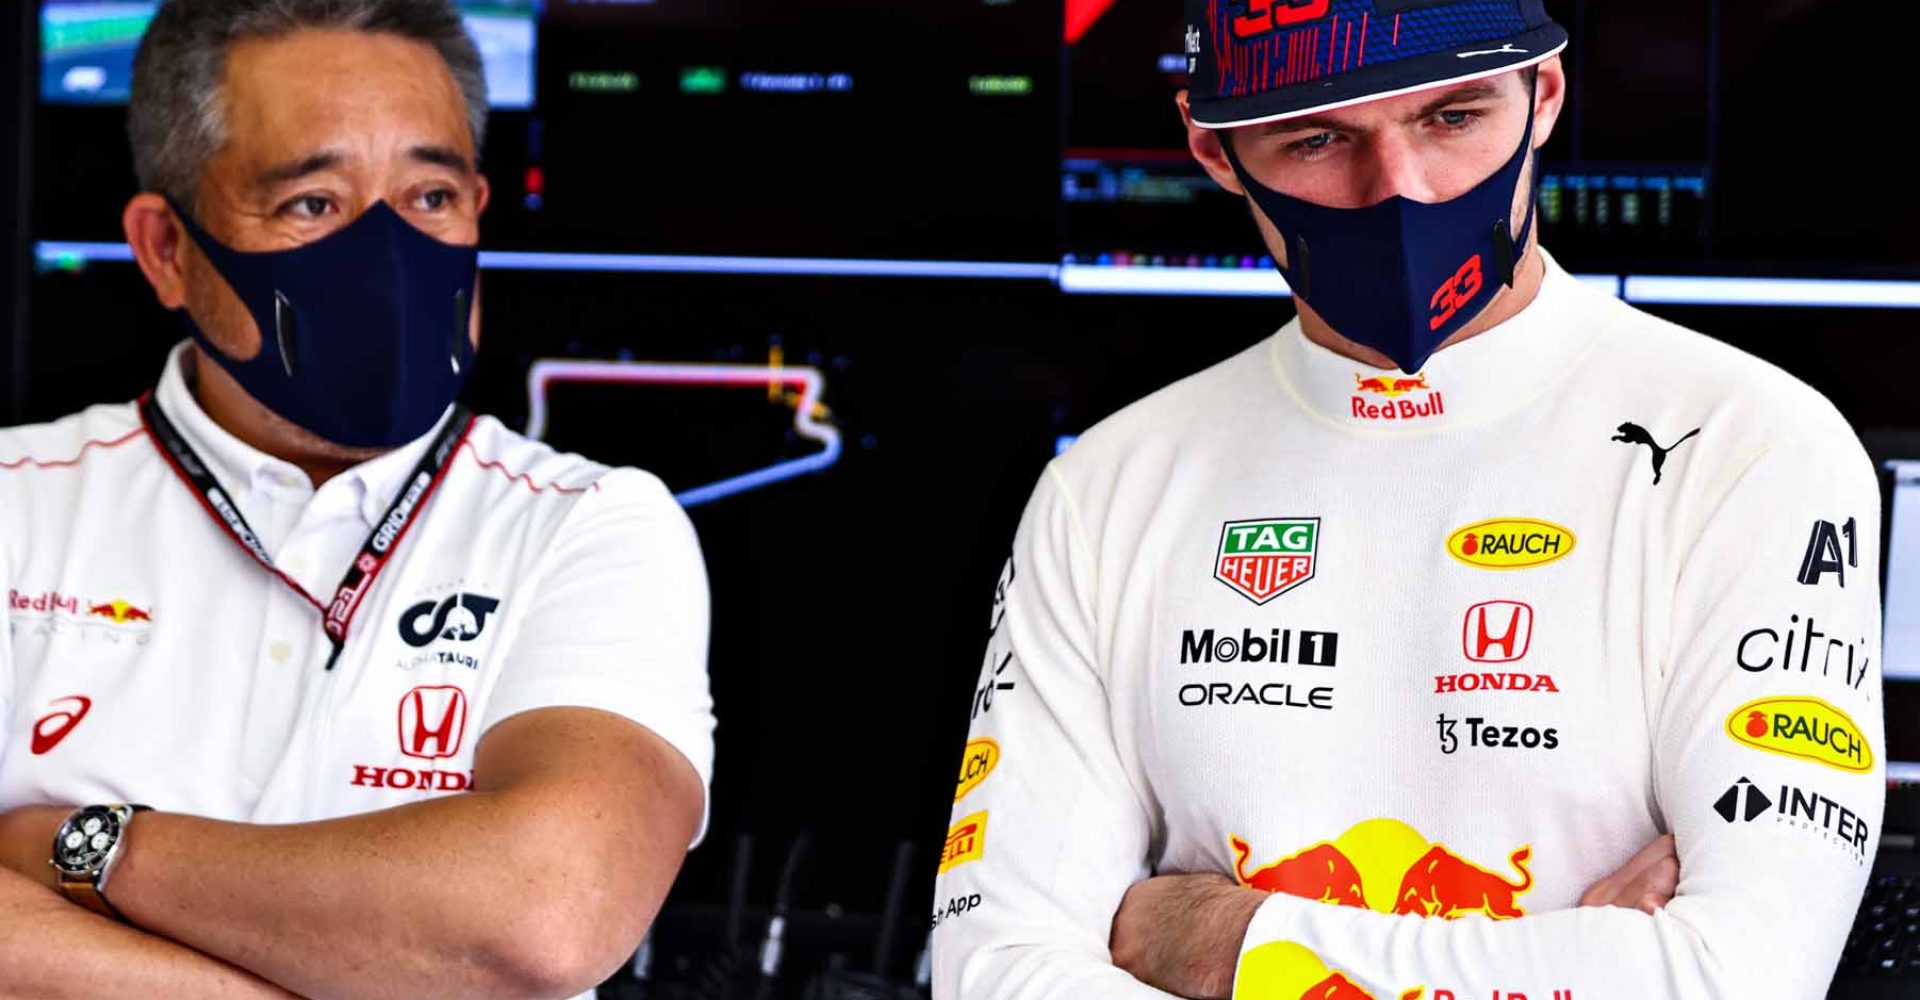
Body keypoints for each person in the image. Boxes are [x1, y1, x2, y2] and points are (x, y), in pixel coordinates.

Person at [931, 1, 1883, 997]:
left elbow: (1736, 978)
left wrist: (1227, 939)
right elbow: (994, 974)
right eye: (1318, 137)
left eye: (1452, 118)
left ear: (1543, 94)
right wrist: (1567, 963)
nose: (1401, 191)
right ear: (1215, 151)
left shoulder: (1751, 447)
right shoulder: (1107, 489)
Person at [0, 2, 713, 997]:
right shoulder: (15, 508)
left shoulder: (589, 526)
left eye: (430, 196)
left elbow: (548, 913)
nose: (387, 254)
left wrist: (84, 851)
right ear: (165, 248)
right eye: (311, 204)